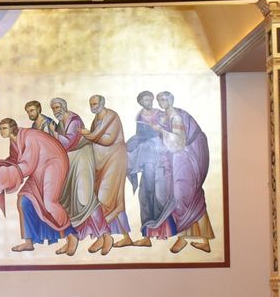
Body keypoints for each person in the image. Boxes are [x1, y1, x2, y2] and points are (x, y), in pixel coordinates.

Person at [0, 117, 70, 252]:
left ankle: (71, 236)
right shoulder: (14, 141)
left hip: (53, 164)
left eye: (4, 128)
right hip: (38, 168)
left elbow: (27, 165)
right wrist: (1, 165)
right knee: (24, 201)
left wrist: (5, 174)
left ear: (12, 128)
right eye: (0, 128)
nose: (1, 131)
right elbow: (15, 160)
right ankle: (28, 241)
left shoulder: (29, 137)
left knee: (49, 203)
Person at [148, 91, 214, 253]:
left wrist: (160, 130)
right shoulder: (165, 116)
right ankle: (188, 238)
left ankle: (195, 239)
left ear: (171, 100)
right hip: (178, 158)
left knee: (184, 196)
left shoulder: (177, 117)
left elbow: (178, 142)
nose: (162, 102)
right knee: (184, 198)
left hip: (186, 158)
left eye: (165, 99)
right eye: (160, 100)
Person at [85, 94, 138, 253]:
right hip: (101, 163)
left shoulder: (112, 117)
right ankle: (124, 237)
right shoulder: (95, 121)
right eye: (91, 104)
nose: (93, 106)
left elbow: (108, 140)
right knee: (113, 201)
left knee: (104, 198)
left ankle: (103, 235)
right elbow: (93, 140)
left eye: (95, 103)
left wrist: (88, 134)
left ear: (102, 103)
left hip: (115, 159)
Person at [49, 97, 99, 257]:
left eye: (57, 107)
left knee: (84, 198)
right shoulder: (60, 122)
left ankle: (103, 235)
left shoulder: (74, 120)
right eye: (53, 108)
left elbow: (68, 143)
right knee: (66, 200)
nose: (55, 110)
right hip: (71, 160)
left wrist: (54, 133)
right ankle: (71, 239)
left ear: (64, 106)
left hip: (82, 158)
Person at [126, 89, 172, 246]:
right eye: (145, 100)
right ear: (140, 102)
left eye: (149, 99)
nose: (148, 102)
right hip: (146, 155)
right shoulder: (139, 116)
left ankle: (162, 228)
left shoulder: (160, 114)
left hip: (159, 155)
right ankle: (147, 231)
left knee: (159, 192)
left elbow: (167, 133)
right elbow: (139, 135)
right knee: (146, 192)